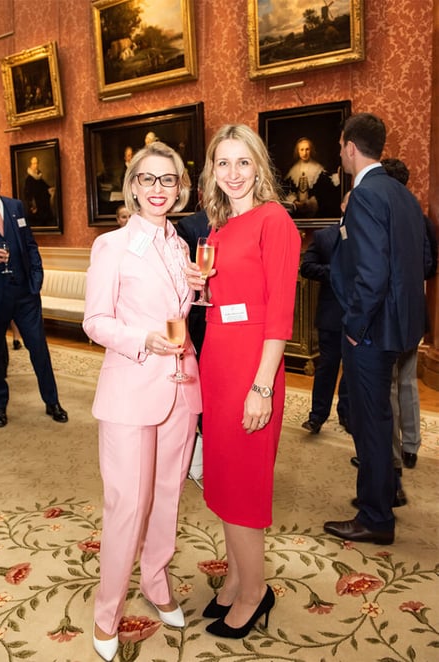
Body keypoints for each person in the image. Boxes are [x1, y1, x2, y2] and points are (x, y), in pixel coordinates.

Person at [83, 141, 202, 661]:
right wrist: (141, 339)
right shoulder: (111, 246)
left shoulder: (181, 245)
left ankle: (155, 582)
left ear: (180, 189)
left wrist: (198, 291)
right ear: (132, 186)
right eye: (148, 179)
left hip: (182, 387)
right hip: (131, 389)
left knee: (168, 495)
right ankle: (107, 612)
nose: (158, 189)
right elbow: (95, 321)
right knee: (127, 505)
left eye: (168, 180)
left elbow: (180, 311)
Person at [186, 124, 300, 639]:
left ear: (259, 167)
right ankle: (236, 578)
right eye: (223, 164)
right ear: (212, 171)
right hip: (218, 357)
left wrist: (263, 386)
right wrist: (200, 288)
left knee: (244, 483)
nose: (233, 174)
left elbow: (278, 314)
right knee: (223, 478)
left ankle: (256, 591)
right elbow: (224, 302)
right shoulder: (216, 228)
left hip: (252, 365)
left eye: (243, 163)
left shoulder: (273, 220)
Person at [324, 113, 428, 545]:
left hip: (370, 329)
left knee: (369, 421)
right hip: (400, 326)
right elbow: (420, 262)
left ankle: (375, 517)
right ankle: (386, 493)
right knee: (380, 417)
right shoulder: (403, 195)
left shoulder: (365, 194)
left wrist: (353, 325)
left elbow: (371, 272)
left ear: (349, 146)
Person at [0, 161, 68, 428]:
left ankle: (52, 401)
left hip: (25, 293)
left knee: (39, 349)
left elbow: (30, 244)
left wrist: (36, 278)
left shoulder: (15, 206)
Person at [381, 158, 438, 474]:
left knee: (388, 384)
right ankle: (411, 446)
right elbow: (430, 266)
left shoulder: (385, 216)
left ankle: (392, 456)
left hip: (389, 314)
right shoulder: (422, 218)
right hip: (416, 309)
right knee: (407, 382)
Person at [300, 191, 351, 435]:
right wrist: (337, 272)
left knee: (352, 368)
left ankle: (347, 414)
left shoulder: (371, 234)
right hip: (331, 313)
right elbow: (307, 267)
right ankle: (317, 416)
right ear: (342, 206)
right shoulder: (324, 236)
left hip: (361, 315)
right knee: (327, 366)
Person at [176, 172, 210, 358]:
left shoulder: (240, 222)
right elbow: (185, 271)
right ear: (201, 193)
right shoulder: (188, 225)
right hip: (200, 313)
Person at [283, 137, 340, 218]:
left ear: (311, 150)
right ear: (298, 151)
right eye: (301, 150)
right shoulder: (293, 170)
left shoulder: (318, 169)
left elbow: (326, 188)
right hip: (297, 212)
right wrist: (295, 202)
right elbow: (287, 190)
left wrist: (312, 203)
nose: (304, 153)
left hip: (315, 213)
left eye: (307, 149)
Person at [23, 156, 55, 226]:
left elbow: (44, 186)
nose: (36, 165)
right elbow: (27, 195)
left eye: (37, 163)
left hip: (43, 206)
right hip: (36, 207)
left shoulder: (39, 177)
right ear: (30, 165)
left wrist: (50, 189)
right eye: (34, 163)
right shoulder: (29, 179)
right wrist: (32, 206)